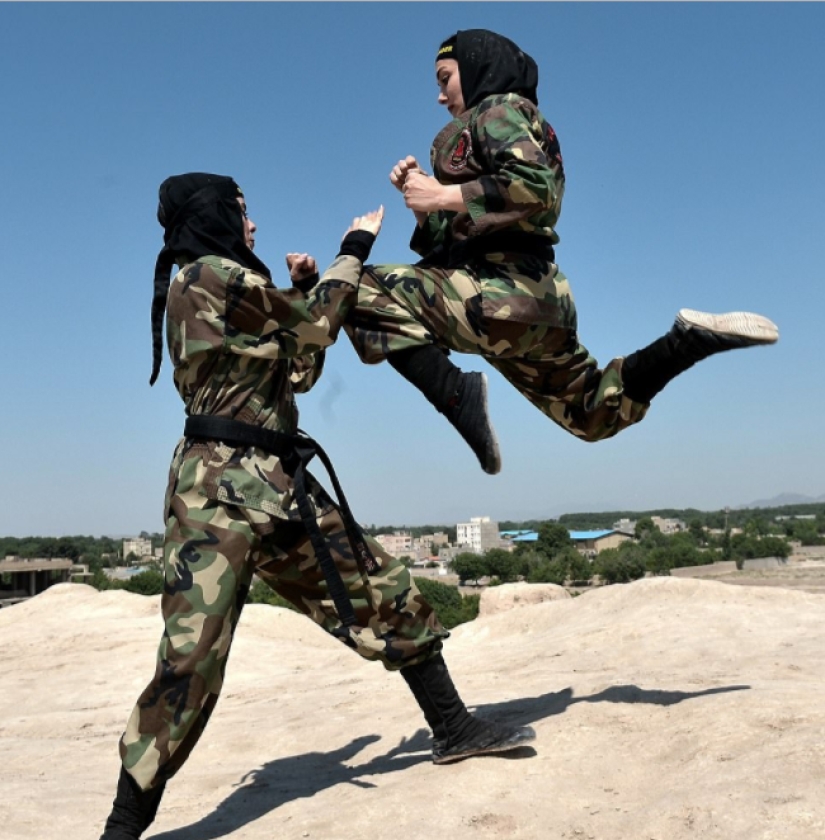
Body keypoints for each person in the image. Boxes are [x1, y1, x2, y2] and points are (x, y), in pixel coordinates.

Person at [99, 173, 534, 840]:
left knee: (383, 590)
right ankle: (123, 828)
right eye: (242, 214)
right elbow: (317, 331)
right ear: (212, 217)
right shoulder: (205, 277)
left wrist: (304, 290)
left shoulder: (231, 288)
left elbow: (299, 364)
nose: (252, 227)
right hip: (216, 496)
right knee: (190, 662)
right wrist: (351, 251)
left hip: (277, 482)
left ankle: (453, 728)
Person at [344, 29, 779, 475]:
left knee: (352, 289)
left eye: (444, 78)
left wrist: (439, 196)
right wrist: (422, 206)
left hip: (497, 293)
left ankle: (457, 397)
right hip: (535, 302)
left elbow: (535, 188)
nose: (440, 96)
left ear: (476, 68)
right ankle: (685, 343)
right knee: (593, 412)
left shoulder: (496, 110)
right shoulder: (509, 124)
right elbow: (455, 240)